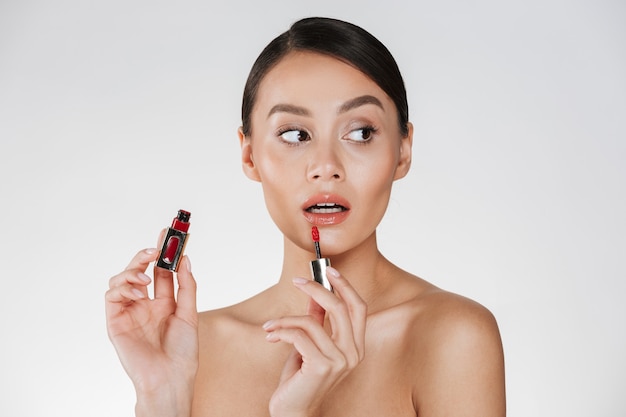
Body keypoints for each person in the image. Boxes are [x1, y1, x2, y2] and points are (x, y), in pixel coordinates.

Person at [105, 17, 506, 417]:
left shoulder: (452, 337)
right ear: (249, 155)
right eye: (295, 134)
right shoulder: (192, 349)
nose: (325, 166)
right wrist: (162, 397)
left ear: (403, 150)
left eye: (361, 132)